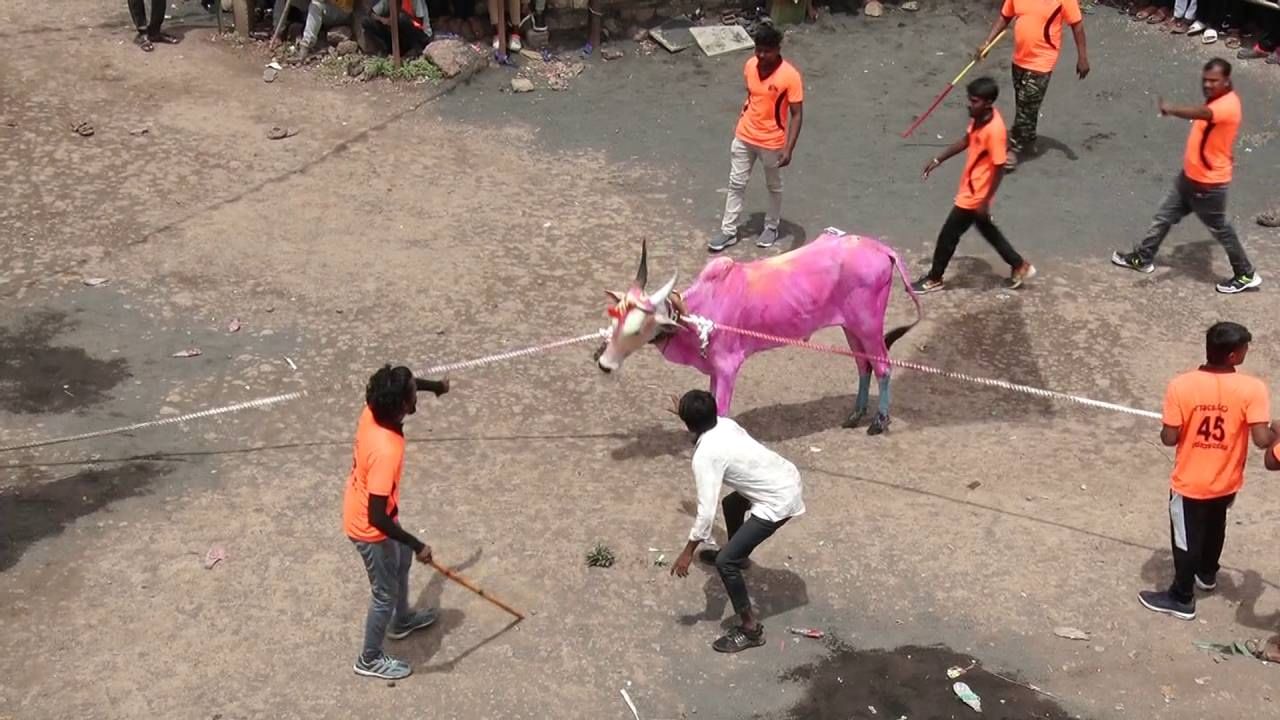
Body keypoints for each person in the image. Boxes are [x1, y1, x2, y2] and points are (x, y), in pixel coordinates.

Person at [1137, 322, 1275, 621]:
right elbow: (1262, 440)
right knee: (1215, 525)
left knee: (1186, 537)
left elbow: (1169, 438)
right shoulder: (1253, 389)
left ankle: (1182, 597)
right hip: (1226, 479)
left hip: (1190, 481)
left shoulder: (1181, 385)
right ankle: (1207, 574)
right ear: (1233, 356)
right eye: (1245, 349)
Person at [668, 390, 805, 654]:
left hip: (778, 500)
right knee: (732, 504)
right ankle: (739, 556)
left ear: (688, 425)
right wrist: (689, 417)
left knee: (724, 562)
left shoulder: (705, 456)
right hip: (784, 476)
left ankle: (750, 629)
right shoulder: (725, 424)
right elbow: (704, 425)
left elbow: (705, 514)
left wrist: (688, 552)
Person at [1111, 59, 1260, 294]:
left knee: (1221, 228)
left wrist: (1171, 109)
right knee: (1163, 217)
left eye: (1214, 81)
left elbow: (1202, 113)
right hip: (1190, 178)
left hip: (1208, 185)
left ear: (1227, 81)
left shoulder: (1227, 105)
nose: (1208, 85)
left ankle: (1245, 274)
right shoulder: (1219, 97)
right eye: (1206, 80)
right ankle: (1143, 258)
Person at [343, 365, 450, 680]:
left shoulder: (374, 406)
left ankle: (401, 621)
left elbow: (405, 381)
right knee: (383, 593)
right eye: (414, 394)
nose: (416, 393)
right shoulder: (386, 450)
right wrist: (416, 544)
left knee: (401, 563)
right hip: (370, 527)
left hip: (381, 513)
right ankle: (369, 658)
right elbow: (376, 517)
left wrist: (435, 387)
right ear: (403, 406)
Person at [914, 76, 1036, 293]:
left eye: (975, 101)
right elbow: (966, 140)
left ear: (988, 103)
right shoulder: (979, 117)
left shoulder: (995, 131)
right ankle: (1019, 265)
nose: (970, 105)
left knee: (948, 236)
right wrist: (938, 160)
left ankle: (934, 278)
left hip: (975, 195)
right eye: (970, 100)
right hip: (972, 191)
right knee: (988, 231)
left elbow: (999, 168)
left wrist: (984, 201)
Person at [710, 24, 804, 253]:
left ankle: (771, 227)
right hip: (744, 136)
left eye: (766, 51)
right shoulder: (750, 65)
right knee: (736, 183)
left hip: (772, 143)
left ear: (777, 49)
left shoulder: (790, 76)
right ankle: (729, 231)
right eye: (758, 50)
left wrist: (788, 148)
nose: (761, 56)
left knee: (773, 186)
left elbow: (797, 114)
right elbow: (752, 97)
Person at [976, 0, 1089, 171]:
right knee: (1025, 104)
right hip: (1020, 58)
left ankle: (1014, 149)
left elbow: (1077, 25)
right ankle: (1027, 139)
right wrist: (987, 43)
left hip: (1043, 61)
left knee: (1027, 103)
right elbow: (1005, 17)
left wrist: (1082, 57)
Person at [271, 0, 354, 62]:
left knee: (316, 6)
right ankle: (278, 35)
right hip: (321, 4)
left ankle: (305, 47)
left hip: (340, 10)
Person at [361, 0, 432, 57]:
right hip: (399, 36)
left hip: (419, 34)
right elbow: (372, 13)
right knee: (366, 21)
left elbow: (420, 19)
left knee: (401, 18)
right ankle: (389, 50)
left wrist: (396, 20)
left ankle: (417, 50)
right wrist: (383, 20)